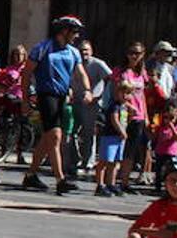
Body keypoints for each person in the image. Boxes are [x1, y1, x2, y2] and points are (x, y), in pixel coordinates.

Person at [21, 16, 91, 194]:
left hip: (62, 97)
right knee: (56, 136)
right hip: (46, 95)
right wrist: (25, 99)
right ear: (63, 31)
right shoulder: (42, 48)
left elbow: (80, 72)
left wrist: (87, 90)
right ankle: (61, 178)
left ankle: (30, 175)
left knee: (47, 138)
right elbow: (27, 73)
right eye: (74, 32)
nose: (76, 36)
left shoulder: (73, 52)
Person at [69, 39, 111, 176]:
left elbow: (111, 78)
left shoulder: (98, 64)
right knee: (70, 132)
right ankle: (74, 160)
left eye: (86, 50)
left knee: (88, 134)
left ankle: (88, 162)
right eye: (81, 50)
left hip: (91, 104)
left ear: (91, 51)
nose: (83, 53)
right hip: (75, 102)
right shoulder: (74, 62)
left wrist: (99, 97)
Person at [115, 41, 152, 193]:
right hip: (125, 113)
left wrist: (146, 115)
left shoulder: (141, 73)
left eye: (137, 53)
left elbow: (142, 95)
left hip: (139, 115)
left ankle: (125, 181)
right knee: (120, 147)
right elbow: (117, 92)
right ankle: (112, 180)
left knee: (132, 150)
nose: (134, 56)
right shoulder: (122, 71)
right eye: (131, 52)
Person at [93, 80, 131, 197]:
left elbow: (125, 120)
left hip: (119, 138)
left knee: (115, 162)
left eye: (128, 93)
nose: (125, 96)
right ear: (117, 92)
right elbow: (114, 119)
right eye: (123, 93)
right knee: (104, 161)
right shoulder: (114, 106)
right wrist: (121, 131)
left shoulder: (124, 107)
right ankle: (100, 185)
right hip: (110, 136)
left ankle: (111, 183)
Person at [150, 99, 177, 185]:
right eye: (166, 118)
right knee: (158, 169)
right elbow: (154, 137)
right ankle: (157, 185)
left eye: (171, 118)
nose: (168, 120)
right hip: (160, 151)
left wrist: (172, 127)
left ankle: (169, 185)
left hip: (171, 152)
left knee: (169, 170)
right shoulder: (161, 127)